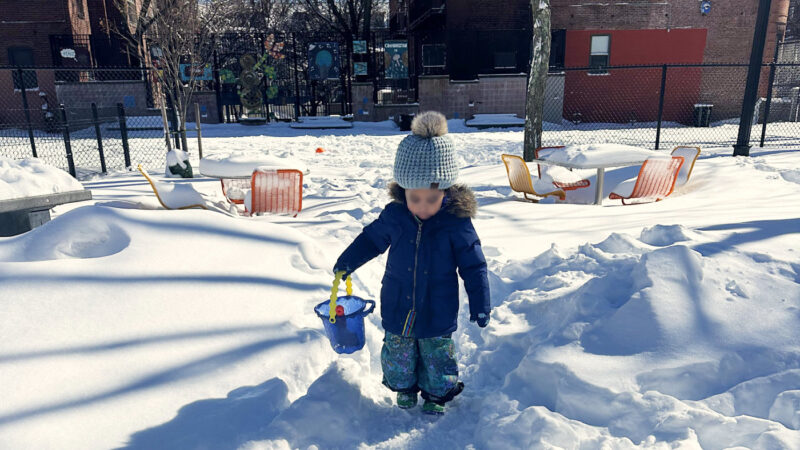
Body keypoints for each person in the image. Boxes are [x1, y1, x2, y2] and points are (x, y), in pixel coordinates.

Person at [333, 111, 491, 415]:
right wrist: (346, 262)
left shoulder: (456, 222)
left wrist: (480, 303)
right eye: (414, 198)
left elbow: (474, 266)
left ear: (446, 191)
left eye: (432, 198)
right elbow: (371, 240)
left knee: (437, 354)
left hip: (438, 306)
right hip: (398, 301)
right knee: (398, 352)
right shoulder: (395, 216)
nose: (422, 206)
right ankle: (404, 388)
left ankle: (436, 394)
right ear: (403, 190)